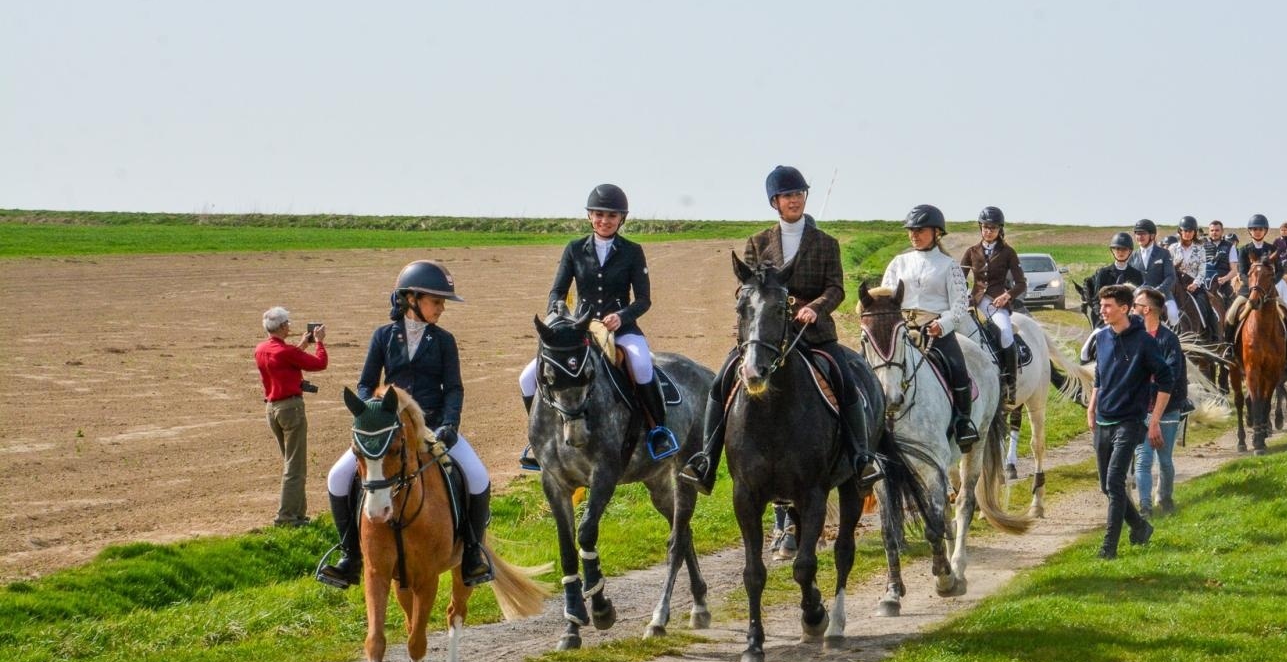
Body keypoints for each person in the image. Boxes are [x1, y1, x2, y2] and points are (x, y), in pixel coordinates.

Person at [682, 165, 883, 493]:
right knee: (720, 384)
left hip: (812, 333)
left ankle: (861, 459)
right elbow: (745, 289)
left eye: (799, 194)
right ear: (774, 201)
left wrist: (814, 308)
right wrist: (761, 303)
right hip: (765, 335)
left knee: (846, 383)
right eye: (788, 195)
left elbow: (836, 289)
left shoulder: (826, 243)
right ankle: (705, 460)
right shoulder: (758, 242)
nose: (794, 200)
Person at [319, 260, 494, 589]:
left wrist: (450, 424)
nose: (441, 309)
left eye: (442, 303)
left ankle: (472, 553)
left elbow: (454, 388)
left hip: (433, 427)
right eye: (437, 301)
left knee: (478, 477)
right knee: (337, 477)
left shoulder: (444, 341)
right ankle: (348, 555)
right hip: (390, 429)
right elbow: (364, 384)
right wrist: (372, 415)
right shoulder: (383, 336)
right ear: (412, 298)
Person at [520, 184, 678, 469]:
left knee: (642, 365)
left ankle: (658, 431)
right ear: (590, 216)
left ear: (621, 219)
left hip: (622, 330)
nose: (605, 220)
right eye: (599, 214)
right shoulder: (574, 249)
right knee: (526, 377)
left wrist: (622, 316)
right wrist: (560, 315)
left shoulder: (632, 251)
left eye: (612, 215)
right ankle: (539, 439)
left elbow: (644, 300)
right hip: (583, 331)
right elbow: (557, 292)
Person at [880, 204, 981, 450]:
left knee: (958, 368)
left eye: (920, 230)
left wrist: (943, 324)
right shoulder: (898, 262)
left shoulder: (949, 266)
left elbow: (959, 306)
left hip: (935, 329)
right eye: (911, 230)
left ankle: (963, 423)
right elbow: (885, 296)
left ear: (937, 232)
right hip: (901, 329)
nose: (914, 234)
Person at [1085, 284, 1173, 559]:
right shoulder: (1100, 338)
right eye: (1101, 305)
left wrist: (1155, 420)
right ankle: (1139, 527)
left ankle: (1108, 548)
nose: (1102, 310)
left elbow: (1166, 380)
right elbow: (1100, 376)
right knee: (1105, 486)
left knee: (1114, 482)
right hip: (1103, 420)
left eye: (1108, 306)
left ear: (1124, 308)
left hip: (1130, 421)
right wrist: (1091, 405)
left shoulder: (1145, 341)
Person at [254, 307, 328, 527]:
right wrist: (320, 342)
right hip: (291, 409)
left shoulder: (261, 349)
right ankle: (286, 517)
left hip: (272, 409)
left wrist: (302, 345)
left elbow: (284, 361)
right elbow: (319, 363)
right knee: (295, 468)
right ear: (283, 326)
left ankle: (298, 514)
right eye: (288, 323)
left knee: (291, 463)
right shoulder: (286, 352)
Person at [959, 206, 1026, 406]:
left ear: (999, 229)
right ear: (981, 227)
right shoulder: (971, 252)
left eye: (993, 228)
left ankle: (1009, 387)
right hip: (975, 302)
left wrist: (1007, 296)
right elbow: (958, 279)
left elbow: (1021, 283)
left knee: (1006, 334)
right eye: (986, 227)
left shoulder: (1008, 252)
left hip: (997, 302)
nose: (989, 231)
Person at [1130, 287, 1188, 517]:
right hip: (1141, 408)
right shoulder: (1133, 338)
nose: (1132, 309)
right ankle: (1145, 506)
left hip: (1166, 409)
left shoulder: (1169, 339)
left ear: (1147, 310)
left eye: (1135, 305)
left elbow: (1170, 375)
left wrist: (1146, 385)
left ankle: (1164, 496)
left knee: (1164, 461)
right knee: (1143, 460)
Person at [1228, 214, 1287, 365]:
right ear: (1250, 231)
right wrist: (1252, 285)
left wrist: (1271, 283)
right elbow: (1242, 272)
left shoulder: (1272, 249)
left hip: (1269, 293)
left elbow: (1280, 270)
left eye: (1260, 229)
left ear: (1265, 231)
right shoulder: (1244, 250)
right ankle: (1228, 350)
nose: (1257, 232)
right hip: (1248, 292)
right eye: (1254, 229)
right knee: (1230, 315)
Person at [1171, 216, 1220, 339]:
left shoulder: (1200, 249)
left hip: (1193, 284)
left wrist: (1196, 284)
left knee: (1207, 306)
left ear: (1194, 232)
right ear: (1180, 231)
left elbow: (1202, 271)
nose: (1187, 234)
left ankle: (1214, 334)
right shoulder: (1172, 249)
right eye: (1185, 231)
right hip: (1176, 284)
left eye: (1190, 231)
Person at [1084, 231, 1144, 328]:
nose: (1120, 252)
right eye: (1117, 249)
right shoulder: (1103, 273)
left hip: (1130, 319)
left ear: (1130, 251)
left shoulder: (1136, 274)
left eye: (1124, 249)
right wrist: (1103, 315)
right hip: (1106, 319)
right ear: (1113, 251)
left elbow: (1139, 300)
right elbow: (1096, 300)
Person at [1132, 219, 1179, 327]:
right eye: (1137, 234)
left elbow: (1170, 277)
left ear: (1152, 236)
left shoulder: (1164, 253)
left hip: (1162, 296)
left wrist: (1157, 291)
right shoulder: (1133, 256)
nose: (1140, 237)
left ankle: (1175, 341)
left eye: (1143, 234)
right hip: (1139, 297)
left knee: (1173, 315)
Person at [1201, 220, 1238, 305]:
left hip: (1223, 285)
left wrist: (1224, 279)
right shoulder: (1202, 246)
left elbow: (1234, 270)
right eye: (1212, 230)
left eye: (1217, 230)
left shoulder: (1230, 246)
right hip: (1204, 284)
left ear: (1222, 231)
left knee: (1233, 309)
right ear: (1209, 232)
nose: (1214, 232)